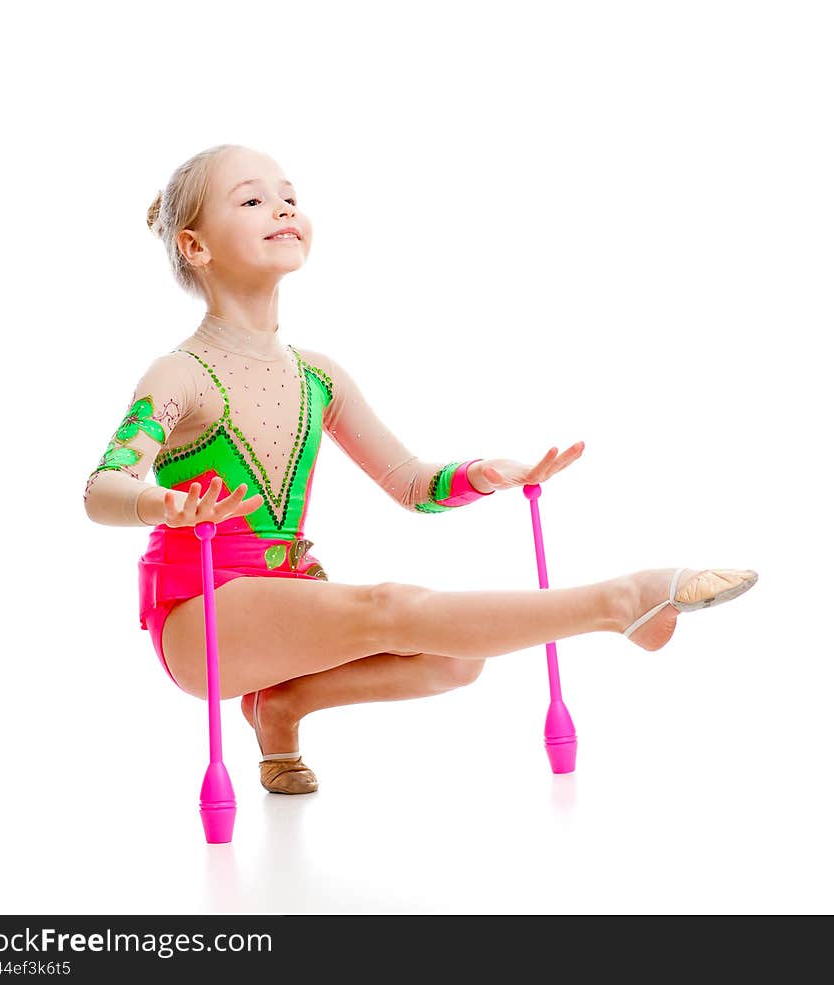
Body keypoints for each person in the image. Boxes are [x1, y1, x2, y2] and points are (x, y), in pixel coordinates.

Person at [83, 143, 758, 795]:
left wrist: (483, 474)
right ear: (195, 247)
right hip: (201, 613)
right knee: (396, 606)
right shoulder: (181, 374)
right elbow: (102, 486)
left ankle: (280, 707)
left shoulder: (321, 377)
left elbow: (411, 484)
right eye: (254, 199)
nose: (284, 209)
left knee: (455, 653)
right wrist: (160, 505)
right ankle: (621, 600)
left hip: (288, 598)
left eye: (290, 196)